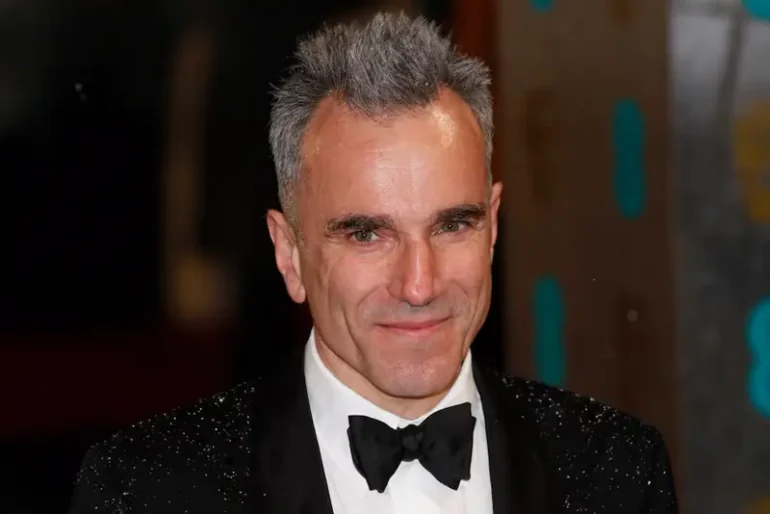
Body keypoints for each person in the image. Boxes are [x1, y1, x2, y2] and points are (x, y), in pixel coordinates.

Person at [68, 12, 678, 514]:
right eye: (367, 235)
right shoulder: (148, 492)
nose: (419, 284)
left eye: (453, 224)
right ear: (289, 254)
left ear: (492, 226)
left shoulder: (616, 471)